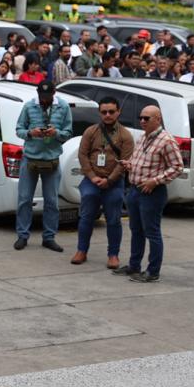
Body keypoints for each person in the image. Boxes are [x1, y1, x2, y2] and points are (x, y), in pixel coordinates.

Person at [111, 106, 183, 283]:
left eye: (146, 118)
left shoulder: (166, 140)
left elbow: (178, 167)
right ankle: (134, 266)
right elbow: (143, 161)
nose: (142, 121)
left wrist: (155, 181)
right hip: (135, 189)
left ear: (158, 119)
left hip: (152, 192)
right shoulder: (143, 137)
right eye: (140, 117)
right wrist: (130, 164)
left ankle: (153, 271)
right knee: (136, 230)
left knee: (152, 232)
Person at [74, 97, 135, 267]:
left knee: (114, 219)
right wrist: (92, 177)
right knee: (86, 216)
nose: (107, 115)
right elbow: (82, 155)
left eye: (111, 112)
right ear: (99, 113)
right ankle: (81, 250)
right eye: (104, 112)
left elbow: (125, 161)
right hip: (91, 180)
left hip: (113, 183)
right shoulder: (91, 131)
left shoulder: (125, 136)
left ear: (118, 112)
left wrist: (109, 180)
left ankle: (113, 255)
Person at [13, 81, 72, 252]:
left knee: (52, 201)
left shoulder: (63, 107)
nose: (44, 100)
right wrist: (31, 133)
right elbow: (19, 129)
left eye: (47, 97)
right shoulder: (29, 106)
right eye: (41, 97)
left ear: (54, 93)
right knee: (24, 199)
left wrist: (57, 133)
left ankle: (49, 237)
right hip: (30, 158)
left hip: (52, 160)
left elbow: (68, 132)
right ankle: (22, 236)